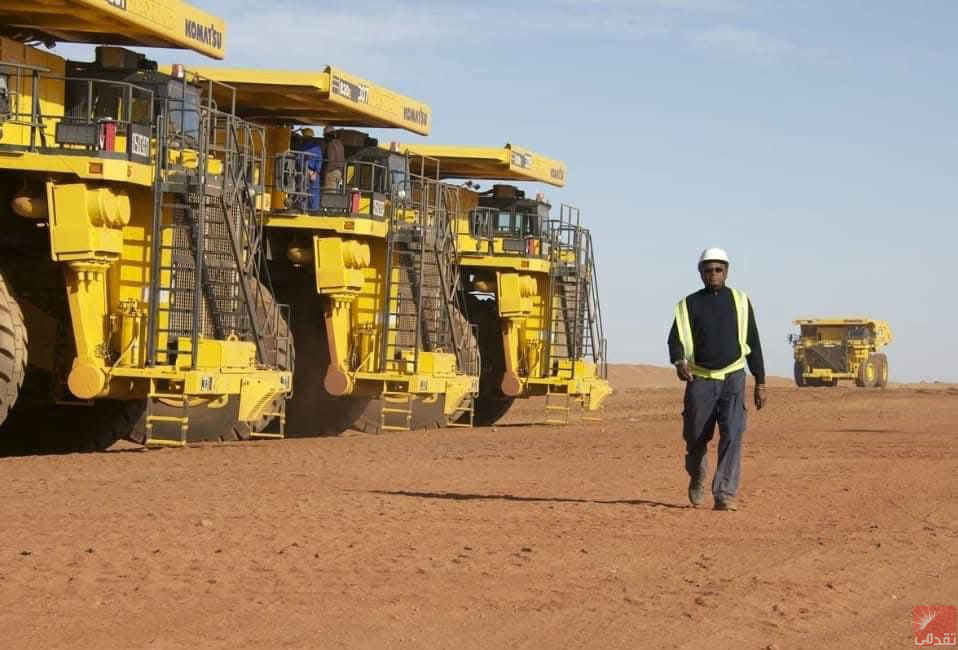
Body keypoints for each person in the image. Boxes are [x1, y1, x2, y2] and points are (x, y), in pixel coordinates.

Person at [667, 247, 767, 511]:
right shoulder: (688, 304)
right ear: (700, 273)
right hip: (700, 380)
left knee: (733, 433)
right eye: (708, 270)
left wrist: (760, 380)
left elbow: (753, 342)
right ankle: (698, 474)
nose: (713, 274)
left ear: (727, 271)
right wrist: (679, 361)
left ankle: (724, 493)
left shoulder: (741, 301)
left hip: (733, 377)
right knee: (695, 436)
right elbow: (674, 340)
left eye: (718, 269)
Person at [296, 128, 323, 211]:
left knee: (302, 191)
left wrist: (308, 171)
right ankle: (314, 211)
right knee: (314, 193)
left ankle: (302, 209)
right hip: (315, 174)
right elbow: (319, 160)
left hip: (304, 172)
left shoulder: (303, 147)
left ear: (305, 136)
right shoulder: (317, 147)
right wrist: (315, 173)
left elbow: (299, 159)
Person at [322, 125, 345, 190]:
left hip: (331, 172)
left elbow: (330, 160)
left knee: (329, 195)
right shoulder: (340, 144)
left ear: (328, 135)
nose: (324, 138)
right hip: (339, 172)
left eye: (324, 136)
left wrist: (326, 172)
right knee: (335, 195)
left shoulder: (331, 145)